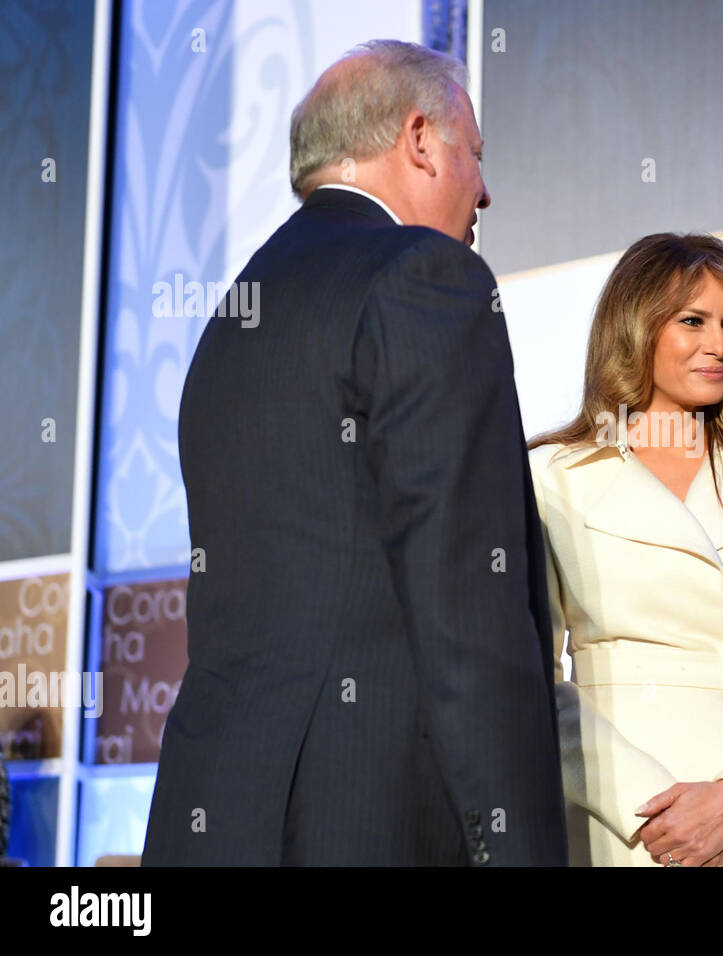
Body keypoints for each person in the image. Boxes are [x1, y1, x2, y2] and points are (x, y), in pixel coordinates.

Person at [142, 40, 567, 866]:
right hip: (367, 818)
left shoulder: (231, 320)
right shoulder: (426, 278)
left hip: (212, 813)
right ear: (418, 139)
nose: (484, 188)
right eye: (472, 155)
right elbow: (465, 604)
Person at [527, 233, 723, 866]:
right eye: (693, 321)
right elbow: (535, 681)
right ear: (635, 327)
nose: (719, 345)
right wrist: (654, 807)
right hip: (622, 820)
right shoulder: (552, 477)